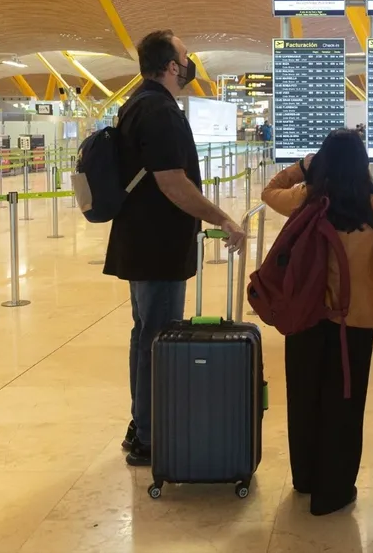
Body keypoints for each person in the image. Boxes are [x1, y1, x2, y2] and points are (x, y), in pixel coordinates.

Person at [261, 129, 373, 517]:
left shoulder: (306, 200)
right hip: (352, 325)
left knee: (304, 399)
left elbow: (269, 191)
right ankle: (333, 491)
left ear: (323, 161)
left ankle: (305, 479)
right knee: (343, 406)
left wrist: (301, 167)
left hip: (304, 320)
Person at [105, 30, 247, 467]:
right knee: (158, 340)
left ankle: (141, 425)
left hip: (140, 243)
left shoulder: (136, 104)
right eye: (185, 57)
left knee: (144, 336)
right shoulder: (160, 111)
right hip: (158, 247)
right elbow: (173, 183)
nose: (190, 64)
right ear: (171, 66)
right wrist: (222, 218)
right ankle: (151, 436)